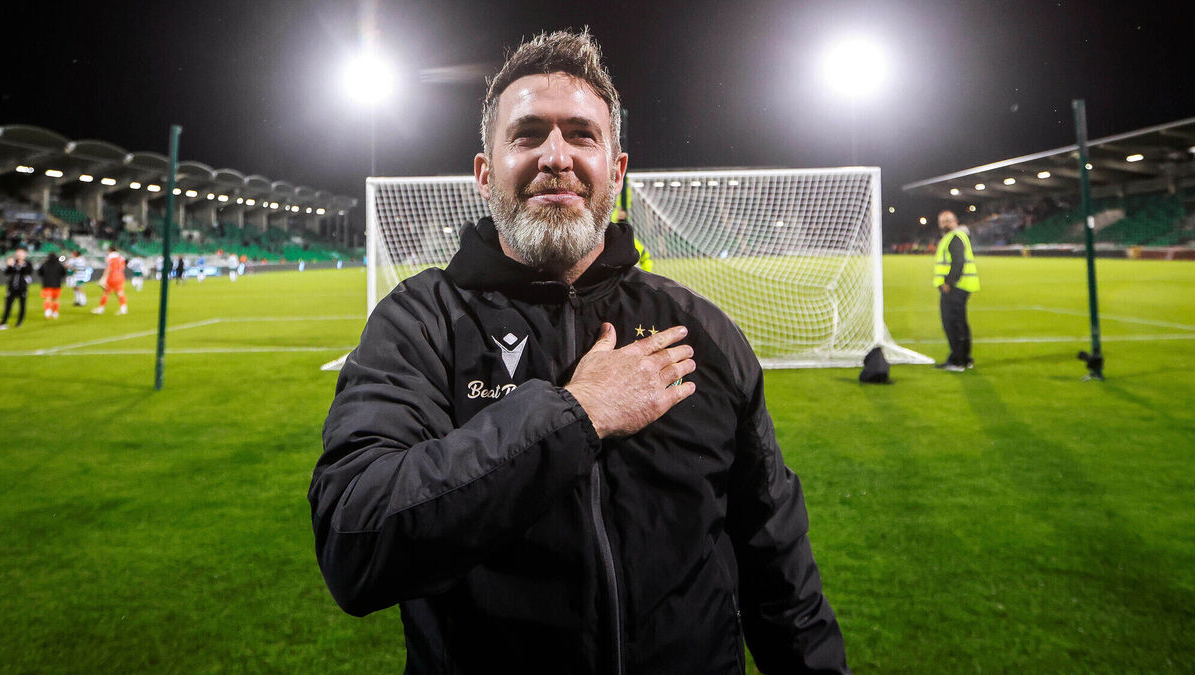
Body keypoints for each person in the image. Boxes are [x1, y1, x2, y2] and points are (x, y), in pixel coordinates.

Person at [310, 29, 849, 674]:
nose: (555, 156)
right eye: (527, 135)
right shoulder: (421, 323)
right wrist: (577, 414)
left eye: (581, 135)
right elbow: (355, 538)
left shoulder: (699, 331)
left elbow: (778, 567)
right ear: (485, 174)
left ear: (616, 172)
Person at [933, 210, 980, 371]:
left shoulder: (954, 237)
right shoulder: (956, 236)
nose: (945, 224)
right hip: (961, 287)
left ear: (955, 221)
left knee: (952, 324)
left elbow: (958, 261)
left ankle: (958, 361)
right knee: (960, 324)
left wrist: (948, 282)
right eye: (942, 221)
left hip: (955, 288)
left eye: (948, 220)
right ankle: (964, 359)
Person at [0, 247, 33, 329]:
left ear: (25, 254)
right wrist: (10, 265)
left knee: (22, 305)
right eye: (18, 253)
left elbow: (27, 272)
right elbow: (7, 272)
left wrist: (20, 265)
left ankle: (19, 322)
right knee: (8, 305)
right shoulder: (14, 262)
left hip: (22, 288)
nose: (19, 255)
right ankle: (3, 322)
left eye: (20, 253)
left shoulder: (28, 264)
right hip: (12, 288)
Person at [91, 246, 128, 315]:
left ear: (110, 250)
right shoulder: (121, 257)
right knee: (120, 293)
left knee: (106, 293)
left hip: (112, 277)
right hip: (120, 276)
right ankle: (123, 309)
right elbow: (124, 265)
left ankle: (100, 309)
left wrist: (103, 278)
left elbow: (109, 268)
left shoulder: (110, 257)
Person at [37, 252, 67, 319]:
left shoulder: (44, 264)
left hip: (47, 284)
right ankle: (55, 313)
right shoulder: (59, 265)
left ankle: (47, 311)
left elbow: (40, 272)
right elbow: (64, 273)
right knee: (55, 299)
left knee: (48, 298)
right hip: (57, 284)